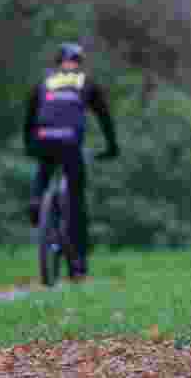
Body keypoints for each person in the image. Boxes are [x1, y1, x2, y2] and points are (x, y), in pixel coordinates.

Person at [24, 42, 119, 281]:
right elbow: (104, 117)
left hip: (43, 137)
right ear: (79, 63)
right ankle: (78, 266)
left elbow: (29, 117)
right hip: (70, 141)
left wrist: (29, 146)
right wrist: (111, 147)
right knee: (76, 203)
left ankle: (36, 200)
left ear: (58, 62)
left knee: (44, 167)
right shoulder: (86, 82)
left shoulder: (44, 81)